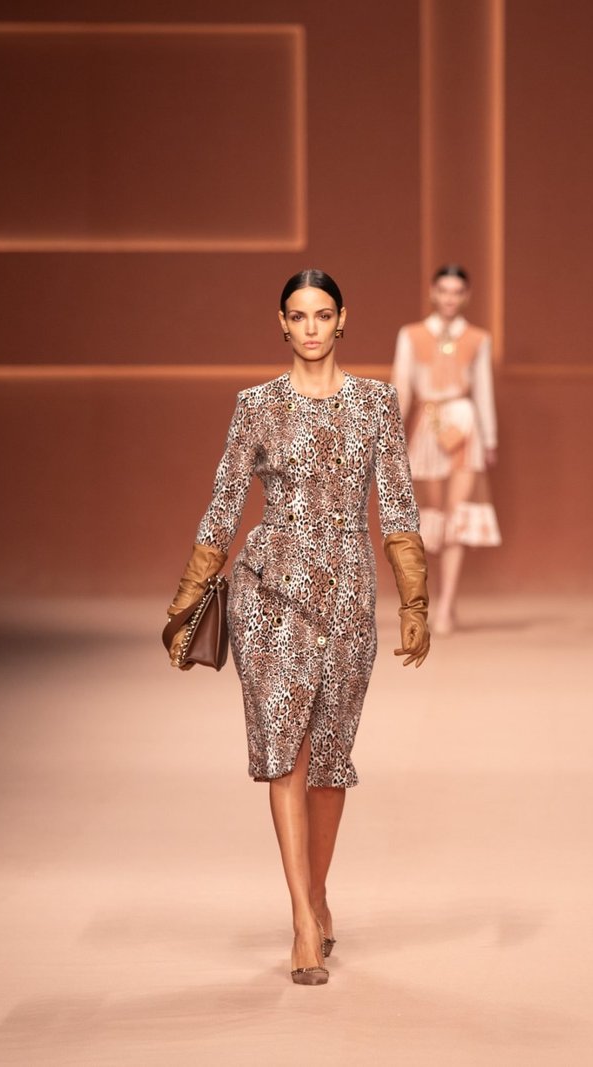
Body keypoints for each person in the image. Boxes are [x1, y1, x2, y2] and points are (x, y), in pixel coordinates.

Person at [165, 269, 432, 987]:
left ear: (342, 319)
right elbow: (225, 501)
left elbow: (398, 504)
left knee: (329, 759)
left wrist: (414, 601)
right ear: (281, 324)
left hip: (348, 594)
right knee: (285, 751)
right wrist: (187, 600)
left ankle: (316, 892)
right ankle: (302, 923)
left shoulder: (376, 403)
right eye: (297, 315)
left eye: (321, 314)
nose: (310, 327)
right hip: (269, 592)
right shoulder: (255, 405)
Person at [390, 264, 500, 635]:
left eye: (457, 292)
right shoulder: (411, 335)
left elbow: (483, 390)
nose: (450, 298)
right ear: (433, 293)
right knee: (429, 518)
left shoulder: (478, 338)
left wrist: (489, 440)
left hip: (465, 425)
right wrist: (391, 436)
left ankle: (446, 606)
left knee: (456, 515)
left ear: (466, 296)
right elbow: (401, 387)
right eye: (444, 291)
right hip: (428, 426)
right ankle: (432, 602)